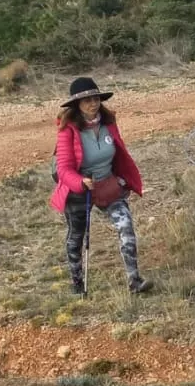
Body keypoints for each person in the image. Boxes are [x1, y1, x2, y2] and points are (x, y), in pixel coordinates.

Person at [50, 75, 151, 296]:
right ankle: (77, 283)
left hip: (108, 186)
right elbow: (63, 168)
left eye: (95, 98)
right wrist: (80, 181)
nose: (93, 103)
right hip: (79, 191)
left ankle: (134, 280)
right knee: (76, 237)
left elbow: (119, 153)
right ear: (77, 104)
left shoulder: (109, 123)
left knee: (126, 227)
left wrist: (122, 179)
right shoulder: (68, 130)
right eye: (86, 100)